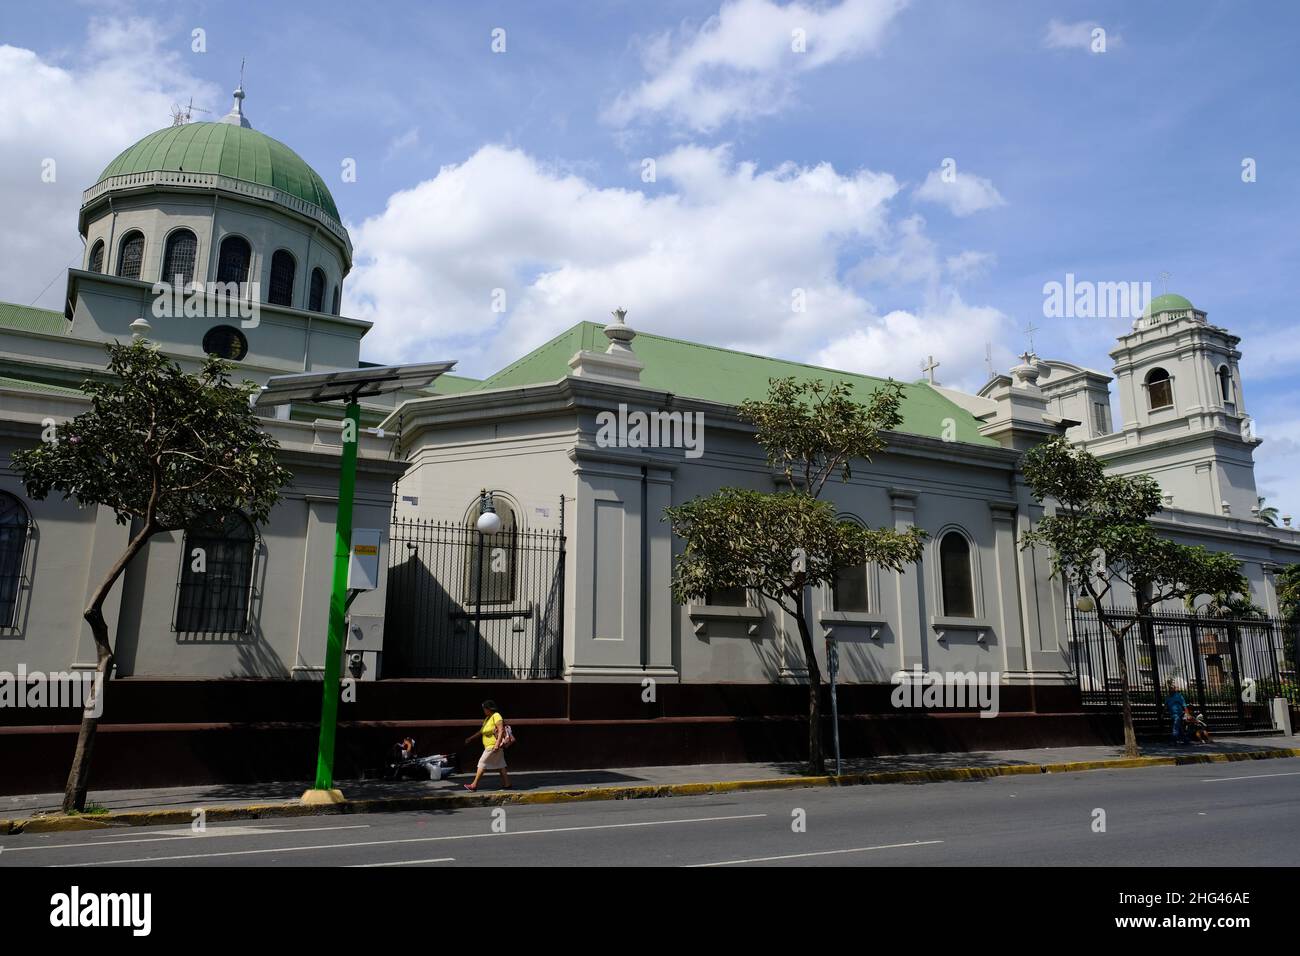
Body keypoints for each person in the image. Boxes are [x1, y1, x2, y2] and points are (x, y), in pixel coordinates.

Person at [463, 699, 510, 791]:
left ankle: (474, 785)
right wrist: (470, 738)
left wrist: (497, 744)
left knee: (482, 763)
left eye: (484, 708)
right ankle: (507, 784)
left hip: (493, 746)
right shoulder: (487, 719)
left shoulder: (496, 716)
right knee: (501, 766)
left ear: (489, 708)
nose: (483, 710)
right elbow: (481, 732)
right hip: (491, 746)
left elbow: (501, 730)